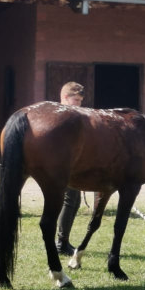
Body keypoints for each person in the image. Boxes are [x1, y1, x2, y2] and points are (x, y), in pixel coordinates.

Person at [55, 82, 84, 256]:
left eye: (80, 100)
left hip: (73, 163)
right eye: (76, 99)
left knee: (75, 200)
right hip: (63, 164)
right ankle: (61, 242)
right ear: (65, 98)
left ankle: (63, 240)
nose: (79, 104)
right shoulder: (62, 115)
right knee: (70, 198)